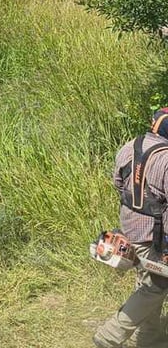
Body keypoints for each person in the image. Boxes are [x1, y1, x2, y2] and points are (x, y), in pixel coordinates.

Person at [93, 109, 168, 348]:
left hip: (129, 229)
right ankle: (110, 336)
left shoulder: (128, 146)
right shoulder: (166, 159)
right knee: (156, 287)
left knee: (146, 282)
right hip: (155, 237)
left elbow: (118, 185)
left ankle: (150, 339)